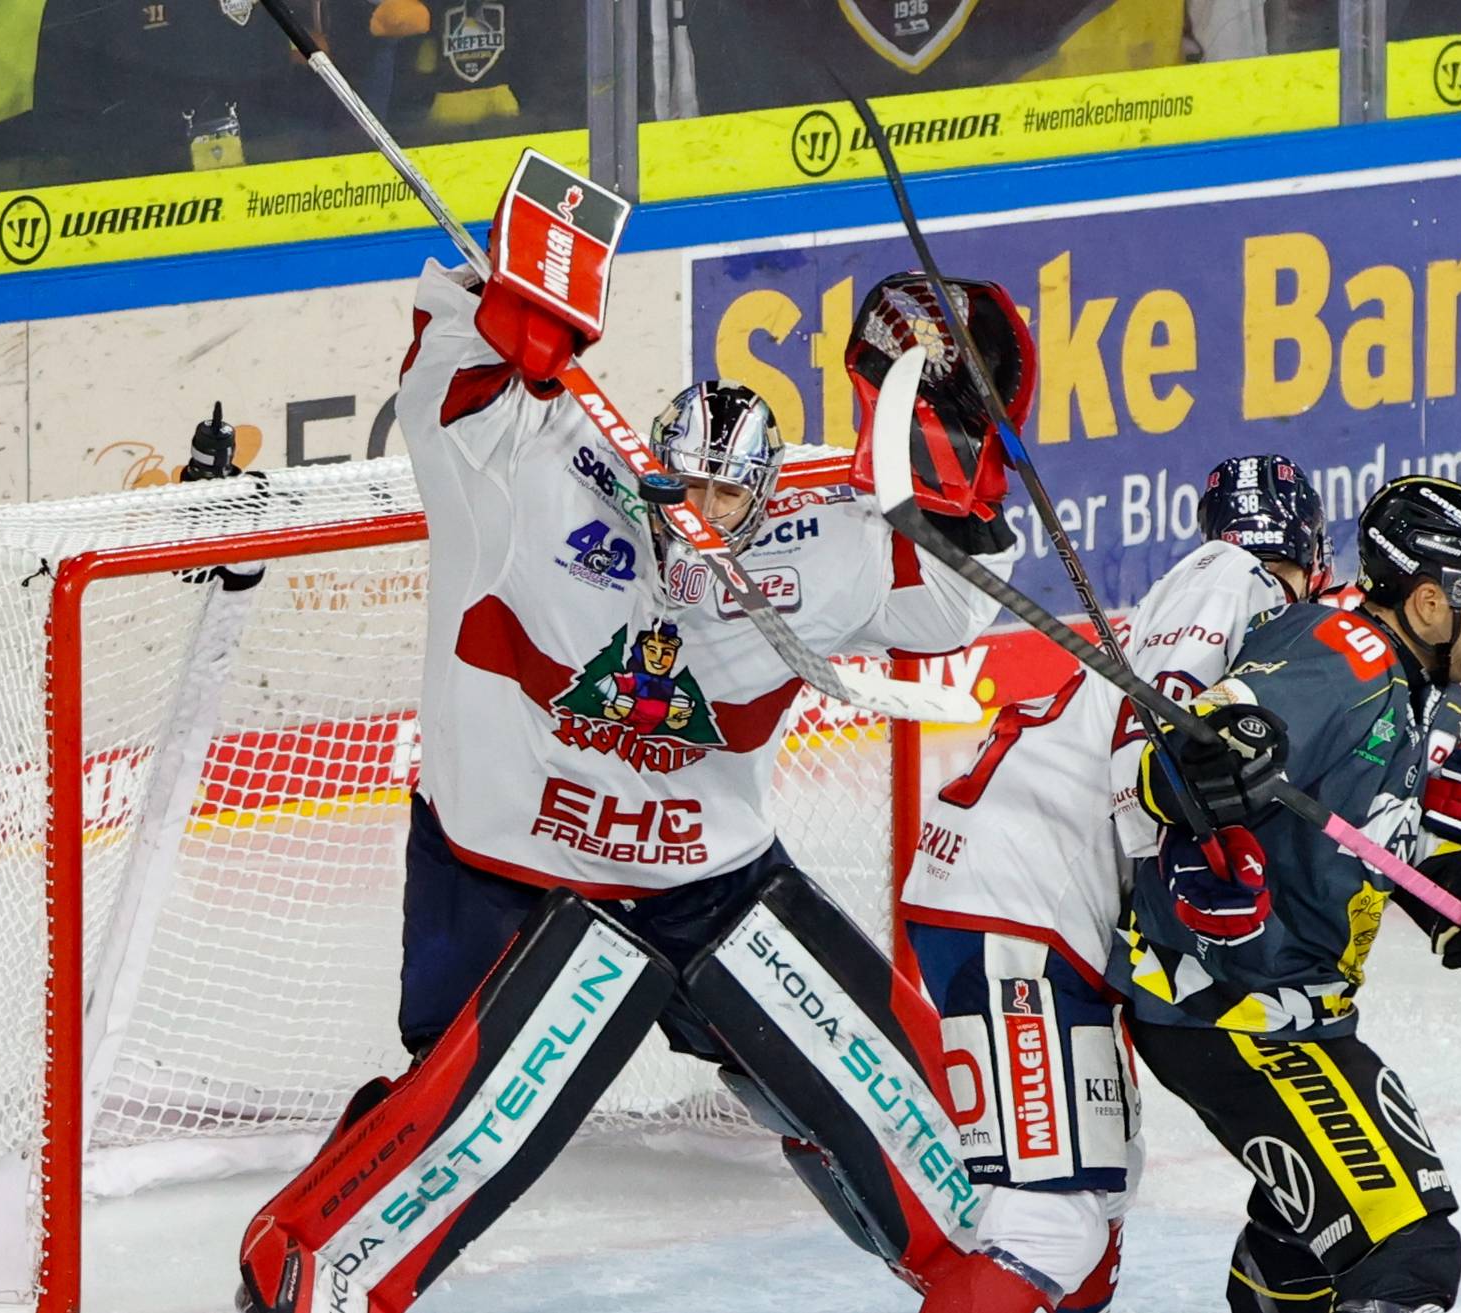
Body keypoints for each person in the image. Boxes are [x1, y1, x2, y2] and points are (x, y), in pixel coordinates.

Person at [234, 201, 1032, 1308]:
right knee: (455, 1112)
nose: (701, 508)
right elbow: (444, 392)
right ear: (651, 469)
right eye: (684, 482)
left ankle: (990, 1268)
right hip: (508, 866)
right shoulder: (533, 483)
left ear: (765, 496)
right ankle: (304, 1274)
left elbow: (951, 599)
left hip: (708, 885)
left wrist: (952, 451)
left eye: (728, 491)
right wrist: (497, 317)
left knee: (899, 1107)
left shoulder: (815, 557)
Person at [1110, 475, 1461, 1313]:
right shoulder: (1339, 654)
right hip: (1229, 1012)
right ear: (1430, 602)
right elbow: (1172, 759)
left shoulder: (1436, 700)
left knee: (1299, 1244)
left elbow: (1380, 840)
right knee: (1410, 1253)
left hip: (1301, 1011)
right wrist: (1204, 760)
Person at [900, 453, 1332, 1313]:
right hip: (1023, 900)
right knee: (1050, 1227)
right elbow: (1156, 738)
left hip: (1034, 906)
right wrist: (1184, 842)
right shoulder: (1233, 576)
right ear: (1315, 550)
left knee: (1094, 1208)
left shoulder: (1247, 611)